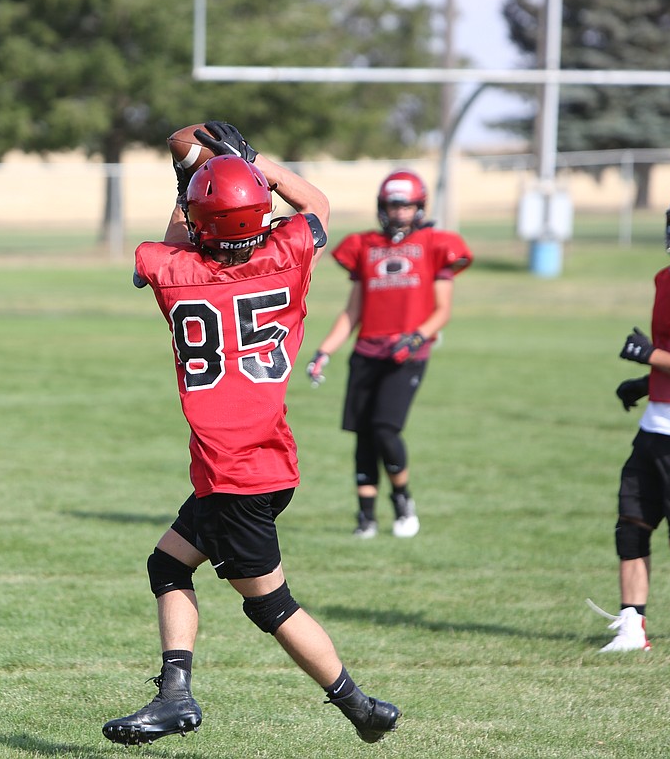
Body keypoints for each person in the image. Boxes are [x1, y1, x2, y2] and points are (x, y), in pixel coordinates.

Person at [102, 121, 399, 747]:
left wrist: (188, 181)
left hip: (232, 473)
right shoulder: (286, 258)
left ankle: (358, 707)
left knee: (272, 606)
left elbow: (172, 244)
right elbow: (315, 205)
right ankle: (174, 692)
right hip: (264, 462)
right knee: (166, 563)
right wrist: (253, 162)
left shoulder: (173, 271)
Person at [305, 170, 472, 539]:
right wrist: (324, 351)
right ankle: (365, 517)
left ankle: (402, 500)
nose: (400, 212)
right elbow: (353, 312)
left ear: (419, 207)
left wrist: (416, 337)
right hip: (367, 350)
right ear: (382, 206)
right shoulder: (364, 245)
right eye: (394, 205)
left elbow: (442, 310)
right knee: (363, 433)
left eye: (407, 205)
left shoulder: (436, 243)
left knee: (385, 428)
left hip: (407, 352)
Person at [593, 194, 670, 652]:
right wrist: (646, 381)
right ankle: (632, 628)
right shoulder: (666, 278)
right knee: (632, 524)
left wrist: (650, 356)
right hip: (656, 425)